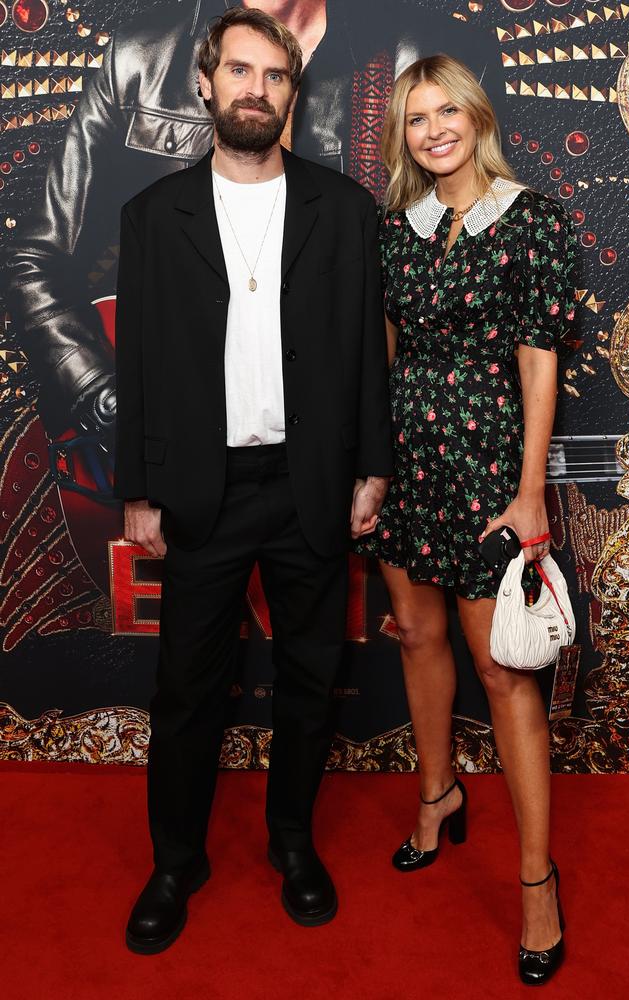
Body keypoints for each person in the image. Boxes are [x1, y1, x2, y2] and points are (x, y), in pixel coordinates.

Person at [114, 6, 392, 954]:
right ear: (206, 82)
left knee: (312, 677)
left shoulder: (342, 208)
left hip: (311, 480)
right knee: (190, 688)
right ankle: (175, 861)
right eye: (239, 71)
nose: (255, 90)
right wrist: (137, 488)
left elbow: (364, 354)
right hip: (204, 488)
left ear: (292, 92)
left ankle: (291, 844)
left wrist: (372, 467)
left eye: (274, 77)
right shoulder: (155, 215)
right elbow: (139, 362)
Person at [5, 0, 504, 443]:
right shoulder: (141, 59)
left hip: (348, 433)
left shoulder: (428, 56)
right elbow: (36, 262)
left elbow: (489, 276)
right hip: (190, 435)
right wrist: (103, 394)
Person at [361, 55, 577, 986]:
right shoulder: (396, 230)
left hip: (491, 465)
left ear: (477, 117)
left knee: (501, 669)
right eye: (416, 118)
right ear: (402, 135)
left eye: (447, 111)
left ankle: (536, 880)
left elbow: (539, 363)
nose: (434, 129)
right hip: (408, 464)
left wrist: (530, 491)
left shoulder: (530, 219)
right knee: (416, 636)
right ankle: (439, 796)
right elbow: (385, 357)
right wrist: (371, 469)